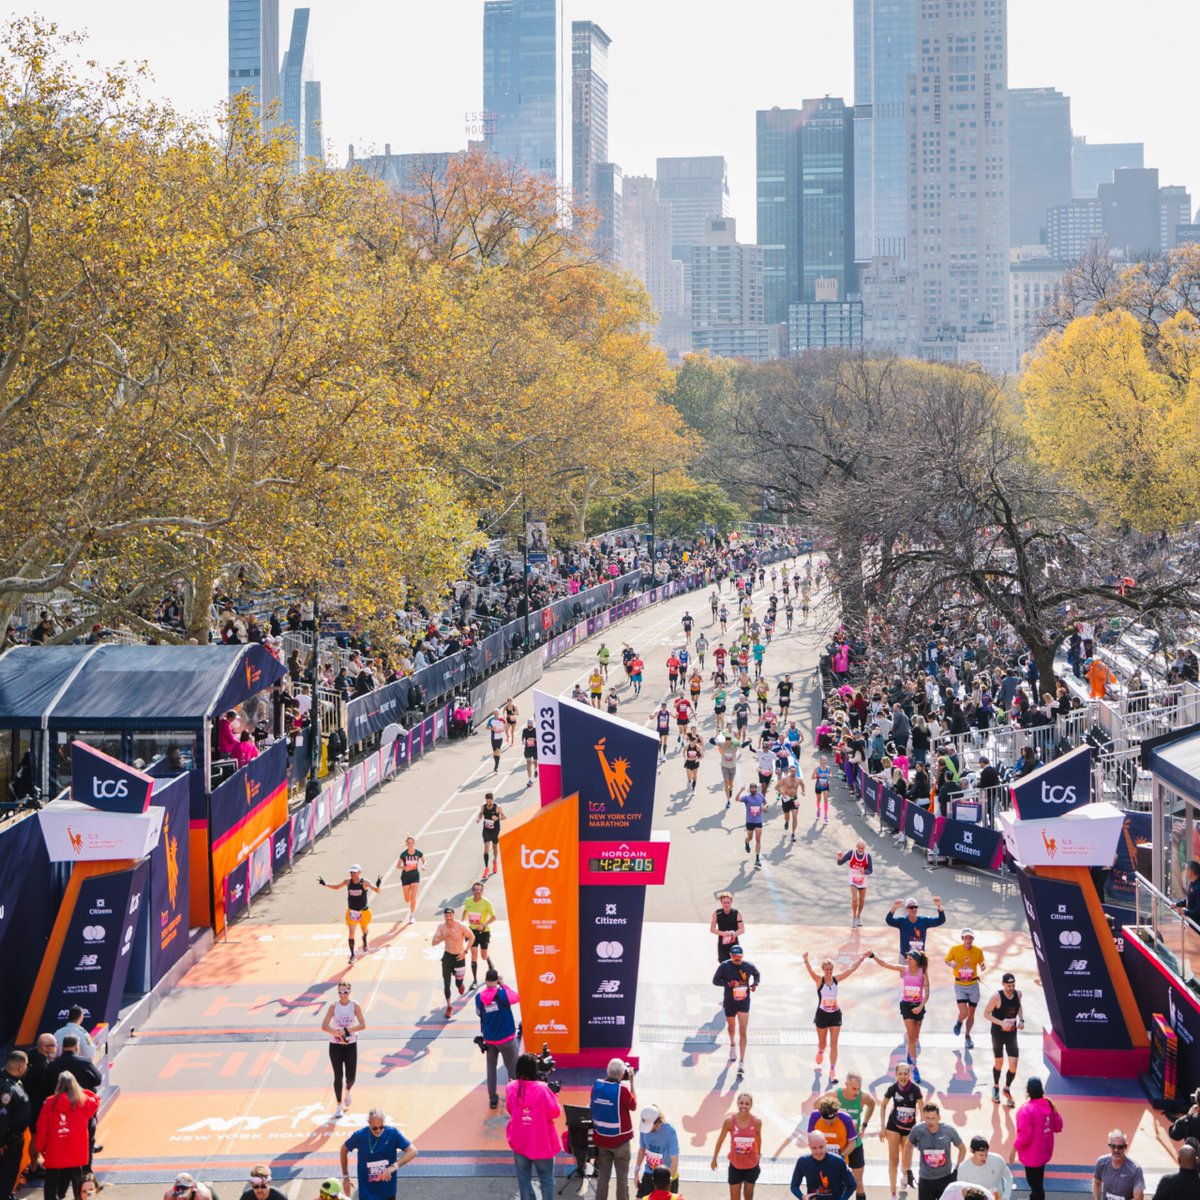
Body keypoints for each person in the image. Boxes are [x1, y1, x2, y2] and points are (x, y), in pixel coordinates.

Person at [802, 951, 871, 1084]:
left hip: (834, 1014)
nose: (829, 972)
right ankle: (821, 1051)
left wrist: (861, 959)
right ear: (823, 970)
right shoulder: (819, 980)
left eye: (830, 969)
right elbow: (810, 970)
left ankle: (832, 1071)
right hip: (822, 1014)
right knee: (823, 1043)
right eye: (826, 970)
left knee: (834, 1043)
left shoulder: (836, 980)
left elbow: (850, 970)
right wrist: (806, 960)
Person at [506, 1052, 561, 1200]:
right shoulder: (543, 1090)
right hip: (541, 1142)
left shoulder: (511, 1087)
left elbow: (511, 1109)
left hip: (520, 1141)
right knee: (547, 1179)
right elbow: (555, 1113)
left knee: (524, 1179)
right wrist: (554, 1095)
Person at [35, 1074, 98, 1200]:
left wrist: (40, 1147)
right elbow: (96, 1099)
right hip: (77, 1150)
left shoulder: (49, 1103)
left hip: (55, 1150)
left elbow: (41, 1127)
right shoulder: (83, 1101)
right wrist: (81, 1090)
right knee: (79, 1183)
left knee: (51, 1185)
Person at [873, 951, 930, 1082]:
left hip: (919, 1006)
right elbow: (885, 964)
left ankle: (910, 1054)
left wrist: (920, 1007)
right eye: (907, 959)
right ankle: (914, 1067)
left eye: (910, 959)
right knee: (910, 1036)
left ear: (916, 960)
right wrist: (873, 956)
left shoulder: (923, 973)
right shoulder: (903, 970)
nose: (907, 961)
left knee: (915, 1037)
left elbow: (927, 993)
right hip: (906, 1006)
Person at [340, 1108, 417, 1200]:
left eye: (381, 1127)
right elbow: (343, 1150)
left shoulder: (392, 1134)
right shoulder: (360, 1136)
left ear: (384, 1122)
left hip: (387, 1193)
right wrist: (346, 1177)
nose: (378, 1130)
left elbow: (412, 1151)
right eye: (374, 1128)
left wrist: (394, 1166)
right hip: (367, 1194)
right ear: (369, 1123)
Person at [590, 1058, 637, 1200]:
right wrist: (632, 1082)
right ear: (623, 1074)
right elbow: (633, 1106)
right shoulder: (622, 1090)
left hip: (601, 1140)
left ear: (607, 1071)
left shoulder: (596, 1086)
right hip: (621, 1142)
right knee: (622, 1179)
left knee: (603, 1177)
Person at [1011, 1079, 1063, 1200]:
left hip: (1031, 1155)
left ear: (1027, 1091)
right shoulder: (1049, 1105)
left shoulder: (1026, 1109)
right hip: (1044, 1152)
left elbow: (1025, 1136)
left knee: (1034, 1184)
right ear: (1042, 1090)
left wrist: (1014, 1149)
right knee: (1038, 1181)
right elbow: (1058, 1126)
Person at [318, 865, 381, 963]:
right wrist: (325, 884)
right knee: (351, 933)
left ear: (360, 872)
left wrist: (378, 886)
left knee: (364, 929)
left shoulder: (365, 882)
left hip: (364, 912)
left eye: (354, 872)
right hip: (352, 912)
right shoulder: (347, 882)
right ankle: (352, 955)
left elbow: (377, 891)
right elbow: (337, 887)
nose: (352, 874)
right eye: (351, 872)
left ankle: (364, 938)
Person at [903, 1101, 965, 1200]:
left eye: (933, 1118)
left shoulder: (949, 1130)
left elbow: (962, 1148)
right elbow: (908, 1146)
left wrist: (957, 1170)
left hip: (945, 1179)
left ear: (939, 1117)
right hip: (925, 1180)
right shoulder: (918, 1130)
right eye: (927, 1118)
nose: (930, 1122)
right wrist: (908, 1170)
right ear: (924, 1117)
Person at [713, 945, 760, 1074]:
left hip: (744, 1002)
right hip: (730, 1001)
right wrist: (729, 983)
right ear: (731, 956)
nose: (737, 960)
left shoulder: (748, 966)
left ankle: (741, 1062)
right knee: (731, 1028)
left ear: (742, 956)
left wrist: (755, 984)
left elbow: (757, 974)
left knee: (743, 1031)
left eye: (739, 958)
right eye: (735, 958)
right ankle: (732, 1044)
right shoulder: (725, 966)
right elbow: (715, 981)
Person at [321, 981, 365, 1118]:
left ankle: (348, 1089)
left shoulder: (355, 1006)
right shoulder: (333, 1006)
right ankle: (339, 1104)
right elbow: (324, 1025)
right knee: (338, 1075)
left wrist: (347, 1030)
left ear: (349, 992)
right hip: (335, 1045)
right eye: (340, 992)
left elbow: (363, 1025)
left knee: (351, 1077)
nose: (342, 995)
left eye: (345, 992)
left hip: (351, 1044)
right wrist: (336, 1033)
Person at [879, 1061, 922, 1200]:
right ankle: (892, 1192)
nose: (903, 1076)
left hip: (909, 1128)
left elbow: (922, 1109)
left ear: (909, 1074)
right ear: (896, 1075)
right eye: (900, 1074)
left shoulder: (915, 1090)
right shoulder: (892, 1089)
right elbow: (883, 1106)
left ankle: (904, 1174)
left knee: (905, 1159)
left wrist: (920, 1128)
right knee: (893, 1159)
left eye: (906, 1073)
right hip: (893, 1127)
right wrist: (882, 1127)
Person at [710, 1092, 762, 1200]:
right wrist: (714, 1158)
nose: (744, 1106)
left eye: (747, 1104)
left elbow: (758, 1138)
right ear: (737, 1103)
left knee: (748, 1196)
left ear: (751, 1105)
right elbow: (720, 1140)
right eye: (741, 1103)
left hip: (751, 1166)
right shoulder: (729, 1122)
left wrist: (758, 1154)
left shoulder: (757, 1122)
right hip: (735, 1165)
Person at [982, 973, 1024, 1106]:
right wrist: (1001, 1023)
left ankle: (1007, 1089)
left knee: (1013, 1066)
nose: (1011, 988)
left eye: (1013, 985)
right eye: (1008, 985)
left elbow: (1019, 1006)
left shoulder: (1018, 994)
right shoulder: (996, 997)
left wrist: (1021, 1020)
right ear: (1003, 984)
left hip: (1011, 1034)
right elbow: (986, 1014)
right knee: (999, 1062)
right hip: (998, 1034)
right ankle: (995, 1087)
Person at [835, 1073, 875, 1200]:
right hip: (839, 1145)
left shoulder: (863, 1097)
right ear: (846, 1085)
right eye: (853, 1089)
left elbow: (872, 1104)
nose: (856, 1092)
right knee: (836, 1182)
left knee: (858, 1182)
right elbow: (817, 1105)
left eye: (859, 1088)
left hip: (855, 1145)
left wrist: (864, 1124)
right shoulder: (835, 1096)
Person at [432, 905, 475, 1019]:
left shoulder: (460, 926)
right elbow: (433, 942)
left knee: (458, 984)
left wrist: (465, 952)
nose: (449, 918)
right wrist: (444, 936)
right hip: (447, 957)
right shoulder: (441, 927)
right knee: (446, 984)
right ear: (444, 916)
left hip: (459, 957)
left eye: (451, 915)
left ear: (454, 915)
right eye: (447, 915)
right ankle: (449, 1006)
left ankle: (460, 984)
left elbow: (472, 937)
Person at [944, 929, 985, 1048]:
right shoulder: (955, 949)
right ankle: (959, 1021)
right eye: (966, 938)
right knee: (964, 1013)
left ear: (973, 939)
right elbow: (946, 959)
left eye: (970, 938)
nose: (968, 940)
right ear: (962, 939)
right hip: (960, 985)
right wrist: (951, 964)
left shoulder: (978, 951)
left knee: (971, 1014)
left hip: (973, 985)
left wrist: (983, 966)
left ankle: (967, 1036)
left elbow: (981, 962)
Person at [790, 1131, 856, 1200]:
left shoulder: (838, 1161)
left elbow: (852, 1184)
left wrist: (842, 1199)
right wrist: (802, 1197)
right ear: (809, 1146)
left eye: (821, 1147)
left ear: (826, 1143)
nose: (818, 1152)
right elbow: (794, 1186)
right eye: (814, 1148)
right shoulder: (803, 1161)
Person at [0, 1050, 31, 1200]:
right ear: (20, 1066)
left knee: (10, 1175)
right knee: (6, 1174)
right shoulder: (6, 1088)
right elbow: (2, 1117)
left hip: (14, 1140)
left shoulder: (13, 1081)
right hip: (8, 1143)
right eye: (26, 1065)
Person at [635, 1106, 680, 1197]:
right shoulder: (644, 1130)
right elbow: (642, 1149)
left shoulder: (670, 1132)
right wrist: (636, 1171)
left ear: (657, 1122)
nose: (647, 1130)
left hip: (667, 1177)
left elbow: (674, 1162)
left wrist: (667, 1183)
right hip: (650, 1172)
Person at [885, 896, 946, 961]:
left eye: (915, 907)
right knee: (904, 971)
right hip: (905, 956)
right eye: (911, 907)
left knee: (920, 971)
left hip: (919, 957)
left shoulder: (924, 920)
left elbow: (941, 920)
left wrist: (939, 906)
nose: (914, 909)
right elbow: (889, 920)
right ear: (906, 909)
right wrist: (894, 908)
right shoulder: (902, 921)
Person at [462, 879, 497, 987]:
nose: (477, 891)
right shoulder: (468, 901)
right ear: (472, 891)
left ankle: (491, 966)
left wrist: (483, 925)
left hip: (484, 932)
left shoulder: (486, 903)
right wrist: (462, 923)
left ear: (482, 891)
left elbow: (494, 917)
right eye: (475, 890)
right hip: (472, 932)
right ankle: (475, 981)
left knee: (483, 956)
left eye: (479, 890)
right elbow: (465, 911)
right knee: (473, 956)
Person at [1091, 1130, 1143, 1200]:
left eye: (1120, 1147)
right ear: (1109, 1145)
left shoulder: (1135, 1169)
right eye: (1113, 1146)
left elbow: (1138, 1198)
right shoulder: (1101, 1163)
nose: (1116, 1150)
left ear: (1125, 1146)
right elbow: (1097, 1183)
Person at [957, 1136, 1013, 1200]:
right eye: (981, 1155)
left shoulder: (998, 1160)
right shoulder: (963, 1168)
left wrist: (1005, 1197)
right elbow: (961, 1190)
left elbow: (1009, 1177)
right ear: (971, 1150)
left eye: (986, 1154)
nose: (984, 1158)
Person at [806, 1094, 858, 1159]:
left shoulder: (846, 1118)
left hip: (840, 1159)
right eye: (825, 1122)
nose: (828, 1124)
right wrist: (818, 1155)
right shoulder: (814, 1116)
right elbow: (811, 1140)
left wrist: (840, 1157)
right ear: (820, 1114)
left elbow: (852, 1143)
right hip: (819, 1159)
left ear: (836, 1113)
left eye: (831, 1122)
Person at [836, 840, 872, 928]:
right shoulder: (851, 853)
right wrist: (839, 858)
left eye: (862, 848)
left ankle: (858, 917)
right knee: (855, 899)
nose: (860, 850)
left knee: (862, 900)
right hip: (853, 880)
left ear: (864, 848)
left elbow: (870, 870)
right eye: (859, 848)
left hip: (862, 881)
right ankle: (853, 918)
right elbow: (840, 863)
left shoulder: (867, 856)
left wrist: (865, 871)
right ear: (856, 847)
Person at [736, 783, 767, 869]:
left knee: (758, 839)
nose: (753, 790)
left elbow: (766, 803)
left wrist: (765, 807)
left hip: (758, 821)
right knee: (750, 838)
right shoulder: (747, 797)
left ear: (757, 789)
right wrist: (741, 790)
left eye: (754, 788)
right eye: (752, 788)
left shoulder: (760, 796)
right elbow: (736, 799)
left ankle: (757, 859)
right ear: (750, 789)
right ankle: (746, 842)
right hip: (749, 822)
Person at [476, 794, 505, 879]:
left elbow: (504, 816)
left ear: (492, 800)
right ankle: (486, 868)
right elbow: (481, 814)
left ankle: (495, 861)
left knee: (495, 847)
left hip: (495, 830)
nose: (488, 803)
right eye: (487, 801)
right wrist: (479, 818)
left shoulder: (497, 807)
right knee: (486, 847)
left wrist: (497, 818)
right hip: (486, 830)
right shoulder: (483, 807)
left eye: (490, 801)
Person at [711, 892, 745, 963]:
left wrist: (732, 936)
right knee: (723, 965)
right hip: (722, 944)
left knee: (736, 965)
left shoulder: (737, 913)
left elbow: (742, 929)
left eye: (728, 902)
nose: (726, 905)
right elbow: (712, 929)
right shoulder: (717, 913)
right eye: (724, 903)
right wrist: (723, 933)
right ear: (721, 903)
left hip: (734, 945)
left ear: (731, 902)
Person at [396, 836, 423, 924]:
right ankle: (409, 896)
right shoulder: (403, 854)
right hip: (405, 877)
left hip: (415, 876)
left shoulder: (418, 853)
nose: (410, 844)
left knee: (413, 897)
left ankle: (412, 915)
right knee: (407, 899)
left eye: (412, 843)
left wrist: (424, 865)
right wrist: (404, 867)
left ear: (414, 843)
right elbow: (398, 866)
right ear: (407, 844)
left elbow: (424, 861)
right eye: (409, 843)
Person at [779, 764, 805, 841]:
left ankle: (793, 834)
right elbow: (777, 787)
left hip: (795, 799)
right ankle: (786, 822)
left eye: (795, 771)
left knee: (795, 817)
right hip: (786, 799)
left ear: (796, 771)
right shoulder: (785, 779)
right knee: (787, 816)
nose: (793, 772)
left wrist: (803, 791)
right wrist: (782, 793)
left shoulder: (799, 779)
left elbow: (803, 785)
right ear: (789, 771)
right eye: (792, 771)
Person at [812, 756, 832, 823]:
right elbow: (812, 777)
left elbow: (830, 774)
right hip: (818, 786)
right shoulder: (817, 769)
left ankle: (826, 815)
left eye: (825, 760)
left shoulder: (828, 768)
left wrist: (829, 775)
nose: (824, 762)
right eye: (823, 760)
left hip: (825, 786)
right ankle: (818, 809)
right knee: (819, 799)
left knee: (826, 799)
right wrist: (818, 776)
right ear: (820, 761)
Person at [521, 718, 538, 788]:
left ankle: (535, 770)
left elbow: (539, 738)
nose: (529, 725)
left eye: (530, 723)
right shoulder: (525, 730)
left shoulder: (535, 730)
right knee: (528, 764)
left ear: (532, 724)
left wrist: (533, 739)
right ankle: (529, 780)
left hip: (535, 749)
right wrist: (523, 741)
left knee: (535, 762)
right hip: (528, 749)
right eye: (528, 723)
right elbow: (523, 738)